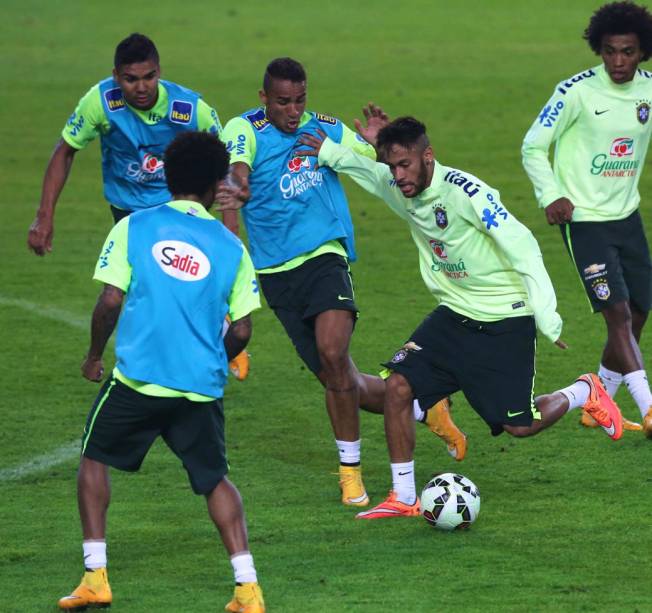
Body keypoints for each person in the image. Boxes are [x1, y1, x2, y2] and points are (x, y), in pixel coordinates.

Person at [297, 117, 623, 519]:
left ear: (427, 157)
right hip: (453, 316)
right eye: (393, 166)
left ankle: (583, 391)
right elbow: (369, 171)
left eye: (405, 165)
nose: (398, 176)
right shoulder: (400, 185)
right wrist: (331, 152)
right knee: (398, 386)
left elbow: (522, 245)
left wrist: (547, 316)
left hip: (504, 318)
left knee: (519, 426)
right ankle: (404, 497)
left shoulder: (467, 193)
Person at [216, 58, 465, 508]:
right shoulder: (244, 128)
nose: (293, 111)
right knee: (339, 377)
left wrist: (375, 144)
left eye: (300, 100)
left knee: (334, 354)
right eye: (282, 102)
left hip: (325, 257)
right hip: (275, 272)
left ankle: (350, 472)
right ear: (263, 98)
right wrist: (237, 186)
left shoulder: (323, 128)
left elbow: (390, 166)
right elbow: (237, 170)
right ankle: (422, 407)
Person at [57, 132, 265, 612]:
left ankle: (95, 576)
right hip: (199, 386)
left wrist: (93, 356)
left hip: (138, 381)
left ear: (166, 177)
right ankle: (247, 588)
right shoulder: (232, 247)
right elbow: (243, 331)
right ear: (216, 186)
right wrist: (214, 354)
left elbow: (111, 300)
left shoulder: (135, 226)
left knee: (93, 457)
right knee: (216, 480)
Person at [27, 32, 248, 379]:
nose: (141, 88)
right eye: (130, 79)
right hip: (127, 212)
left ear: (159, 72)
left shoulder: (190, 109)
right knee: (136, 293)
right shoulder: (100, 102)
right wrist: (44, 217)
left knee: (156, 288)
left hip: (179, 207)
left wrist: (229, 233)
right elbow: (65, 149)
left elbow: (224, 170)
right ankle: (112, 357)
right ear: (116, 76)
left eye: (149, 77)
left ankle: (198, 347)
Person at [522, 1, 652, 438]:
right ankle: (650, 408)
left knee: (638, 310)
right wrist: (552, 193)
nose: (618, 61)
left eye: (628, 52)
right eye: (610, 51)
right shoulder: (574, 92)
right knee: (615, 312)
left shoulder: (648, 91)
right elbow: (533, 146)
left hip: (627, 216)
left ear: (642, 52)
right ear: (599, 49)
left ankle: (599, 400)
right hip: (585, 220)